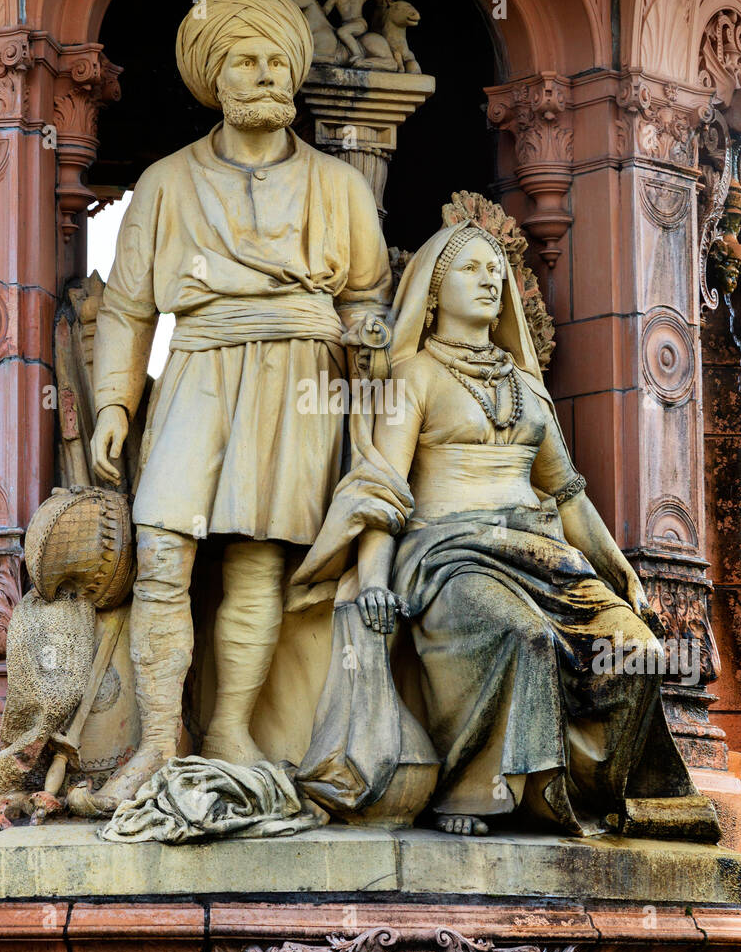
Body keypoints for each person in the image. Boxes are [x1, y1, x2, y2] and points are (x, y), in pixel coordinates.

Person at [305, 218, 715, 837]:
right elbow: (380, 491)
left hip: (545, 556)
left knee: (639, 652)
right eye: (470, 268)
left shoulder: (527, 388)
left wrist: (616, 566)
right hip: (449, 554)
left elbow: (569, 494)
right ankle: (477, 792)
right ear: (435, 290)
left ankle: (584, 794)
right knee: (522, 635)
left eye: (495, 270)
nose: (488, 280)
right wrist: (372, 581)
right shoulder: (414, 377)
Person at [89, 0, 392, 804]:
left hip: (299, 380)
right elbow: (127, 306)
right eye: (245, 63)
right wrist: (116, 402)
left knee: (260, 563)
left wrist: (368, 360)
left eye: (274, 62)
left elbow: (367, 301)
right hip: (199, 370)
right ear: (213, 81)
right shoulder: (164, 183)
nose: (264, 76)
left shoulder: (340, 188)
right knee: (161, 553)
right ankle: (157, 739)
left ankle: (229, 727)